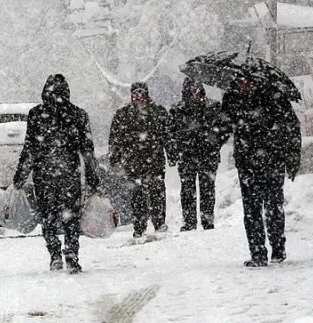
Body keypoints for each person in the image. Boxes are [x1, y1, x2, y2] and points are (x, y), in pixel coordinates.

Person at [13, 74, 99, 274]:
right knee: (71, 217)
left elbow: (30, 149)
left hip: (44, 175)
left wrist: (20, 176)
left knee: (48, 216)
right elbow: (87, 150)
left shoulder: (36, 115)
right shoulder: (78, 114)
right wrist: (93, 177)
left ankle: (54, 255)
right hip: (69, 174)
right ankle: (71, 253)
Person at [221, 76, 301, 267]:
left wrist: (292, 158)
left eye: (248, 81)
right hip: (247, 162)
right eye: (240, 81)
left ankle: (278, 249)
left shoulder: (274, 96)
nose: (244, 85)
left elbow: (291, 127)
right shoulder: (232, 98)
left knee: (273, 206)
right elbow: (223, 127)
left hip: (272, 160)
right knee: (251, 210)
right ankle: (257, 253)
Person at [108, 82, 170, 238]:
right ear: (131, 95)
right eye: (136, 94)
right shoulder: (123, 114)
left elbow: (168, 135)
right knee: (137, 195)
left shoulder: (158, 112)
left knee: (157, 192)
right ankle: (139, 226)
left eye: (142, 93)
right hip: (133, 161)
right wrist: (114, 157)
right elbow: (115, 138)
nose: (139, 97)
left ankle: (159, 222)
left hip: (155, 159)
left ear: (147, 95)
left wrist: (172, 154)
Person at [168, 78, 228, 232]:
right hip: (187, 157)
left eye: (196, 91)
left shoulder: (213, 107)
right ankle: (189, 222)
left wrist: (214, 145)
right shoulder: (177, 110)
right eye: (190, 91)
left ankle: (207, 221)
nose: (193, 94)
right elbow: (170, 134)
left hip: (208, 156)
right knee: (187, 190)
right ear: (185, 93)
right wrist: (176, 150)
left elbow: (224, 130)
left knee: (207, 190)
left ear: (201, 91)